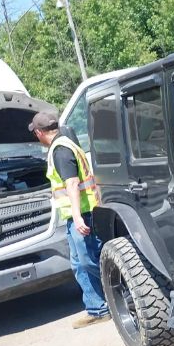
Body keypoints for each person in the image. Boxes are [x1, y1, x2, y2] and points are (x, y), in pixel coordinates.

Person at [29, 111, 110, 328]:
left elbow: (72, 183)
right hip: (78, 214)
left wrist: (76, 216)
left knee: (89, 260)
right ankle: (97, 308)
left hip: (82, 214)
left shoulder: (60, 150)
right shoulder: (67, 144)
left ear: (39, 132)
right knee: (79, 263)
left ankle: (114, 300)